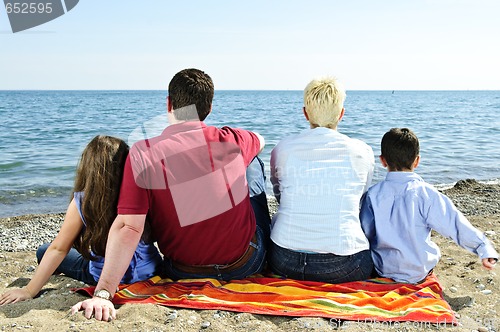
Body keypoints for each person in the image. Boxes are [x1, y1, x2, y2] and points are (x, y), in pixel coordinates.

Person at [71, 68, 270, 321]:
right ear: (209, 108)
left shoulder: (143, 153)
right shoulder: (231, 138)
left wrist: (104, 293)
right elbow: (261, 140)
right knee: (252, 162)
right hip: (245, 264)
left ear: (169, 104)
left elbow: (128, 228)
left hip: (183, 270)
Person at [0, 135, 162, 306]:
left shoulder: (84, 201)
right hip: (150, 271)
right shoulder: (141, 195)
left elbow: (59, 249)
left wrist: (29, 290)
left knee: (44, 250)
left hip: (101, 277)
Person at [269, 77, 375, 284]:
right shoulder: (361, 151)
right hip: (344, 264)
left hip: (284, 259)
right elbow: (360, 196)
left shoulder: (283, 148)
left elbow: (279, 192)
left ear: (305, 113)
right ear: (341, 114)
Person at [360, 128, 499, 284]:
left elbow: (366, 232)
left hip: (383, 269)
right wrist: (483, 248)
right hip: (418, 272)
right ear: (417, 161)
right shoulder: (426, 193)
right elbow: (454, 224)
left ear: (383, 160)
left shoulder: (373, 194)